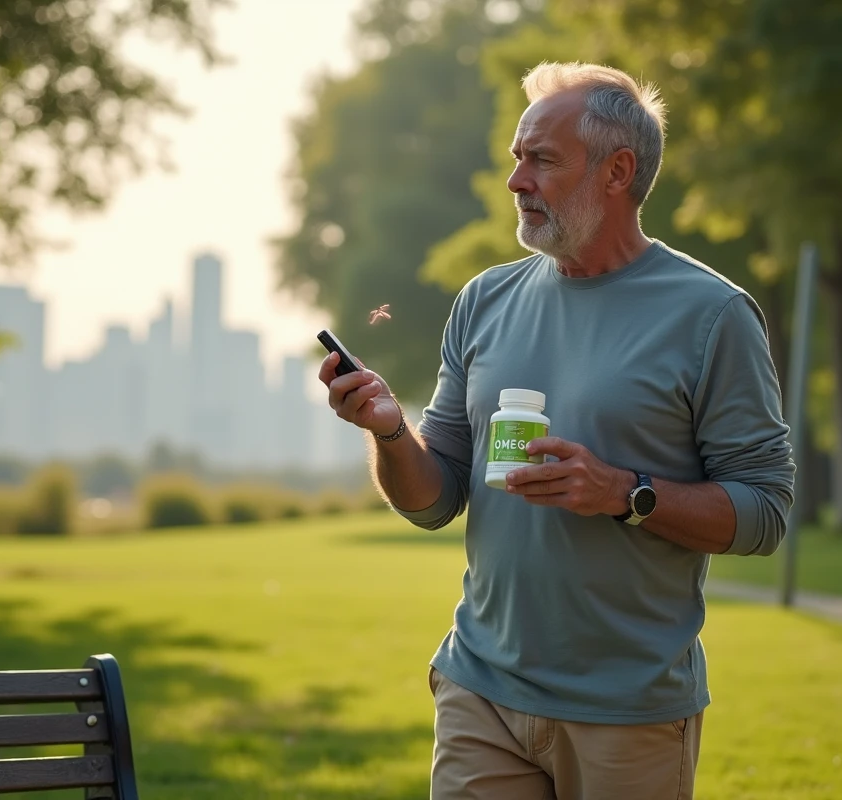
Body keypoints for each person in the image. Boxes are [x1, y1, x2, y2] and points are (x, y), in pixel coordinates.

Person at [319, 61, 796, 800]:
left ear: (617, 172)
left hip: (627, 713)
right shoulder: (485, 299)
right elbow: (433, 500)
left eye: (540, 159)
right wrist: (389, 433)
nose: (516, 180)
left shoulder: (713, 315)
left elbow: (764, 512)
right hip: (481, 688)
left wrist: (623, 492)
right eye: (517, 158)